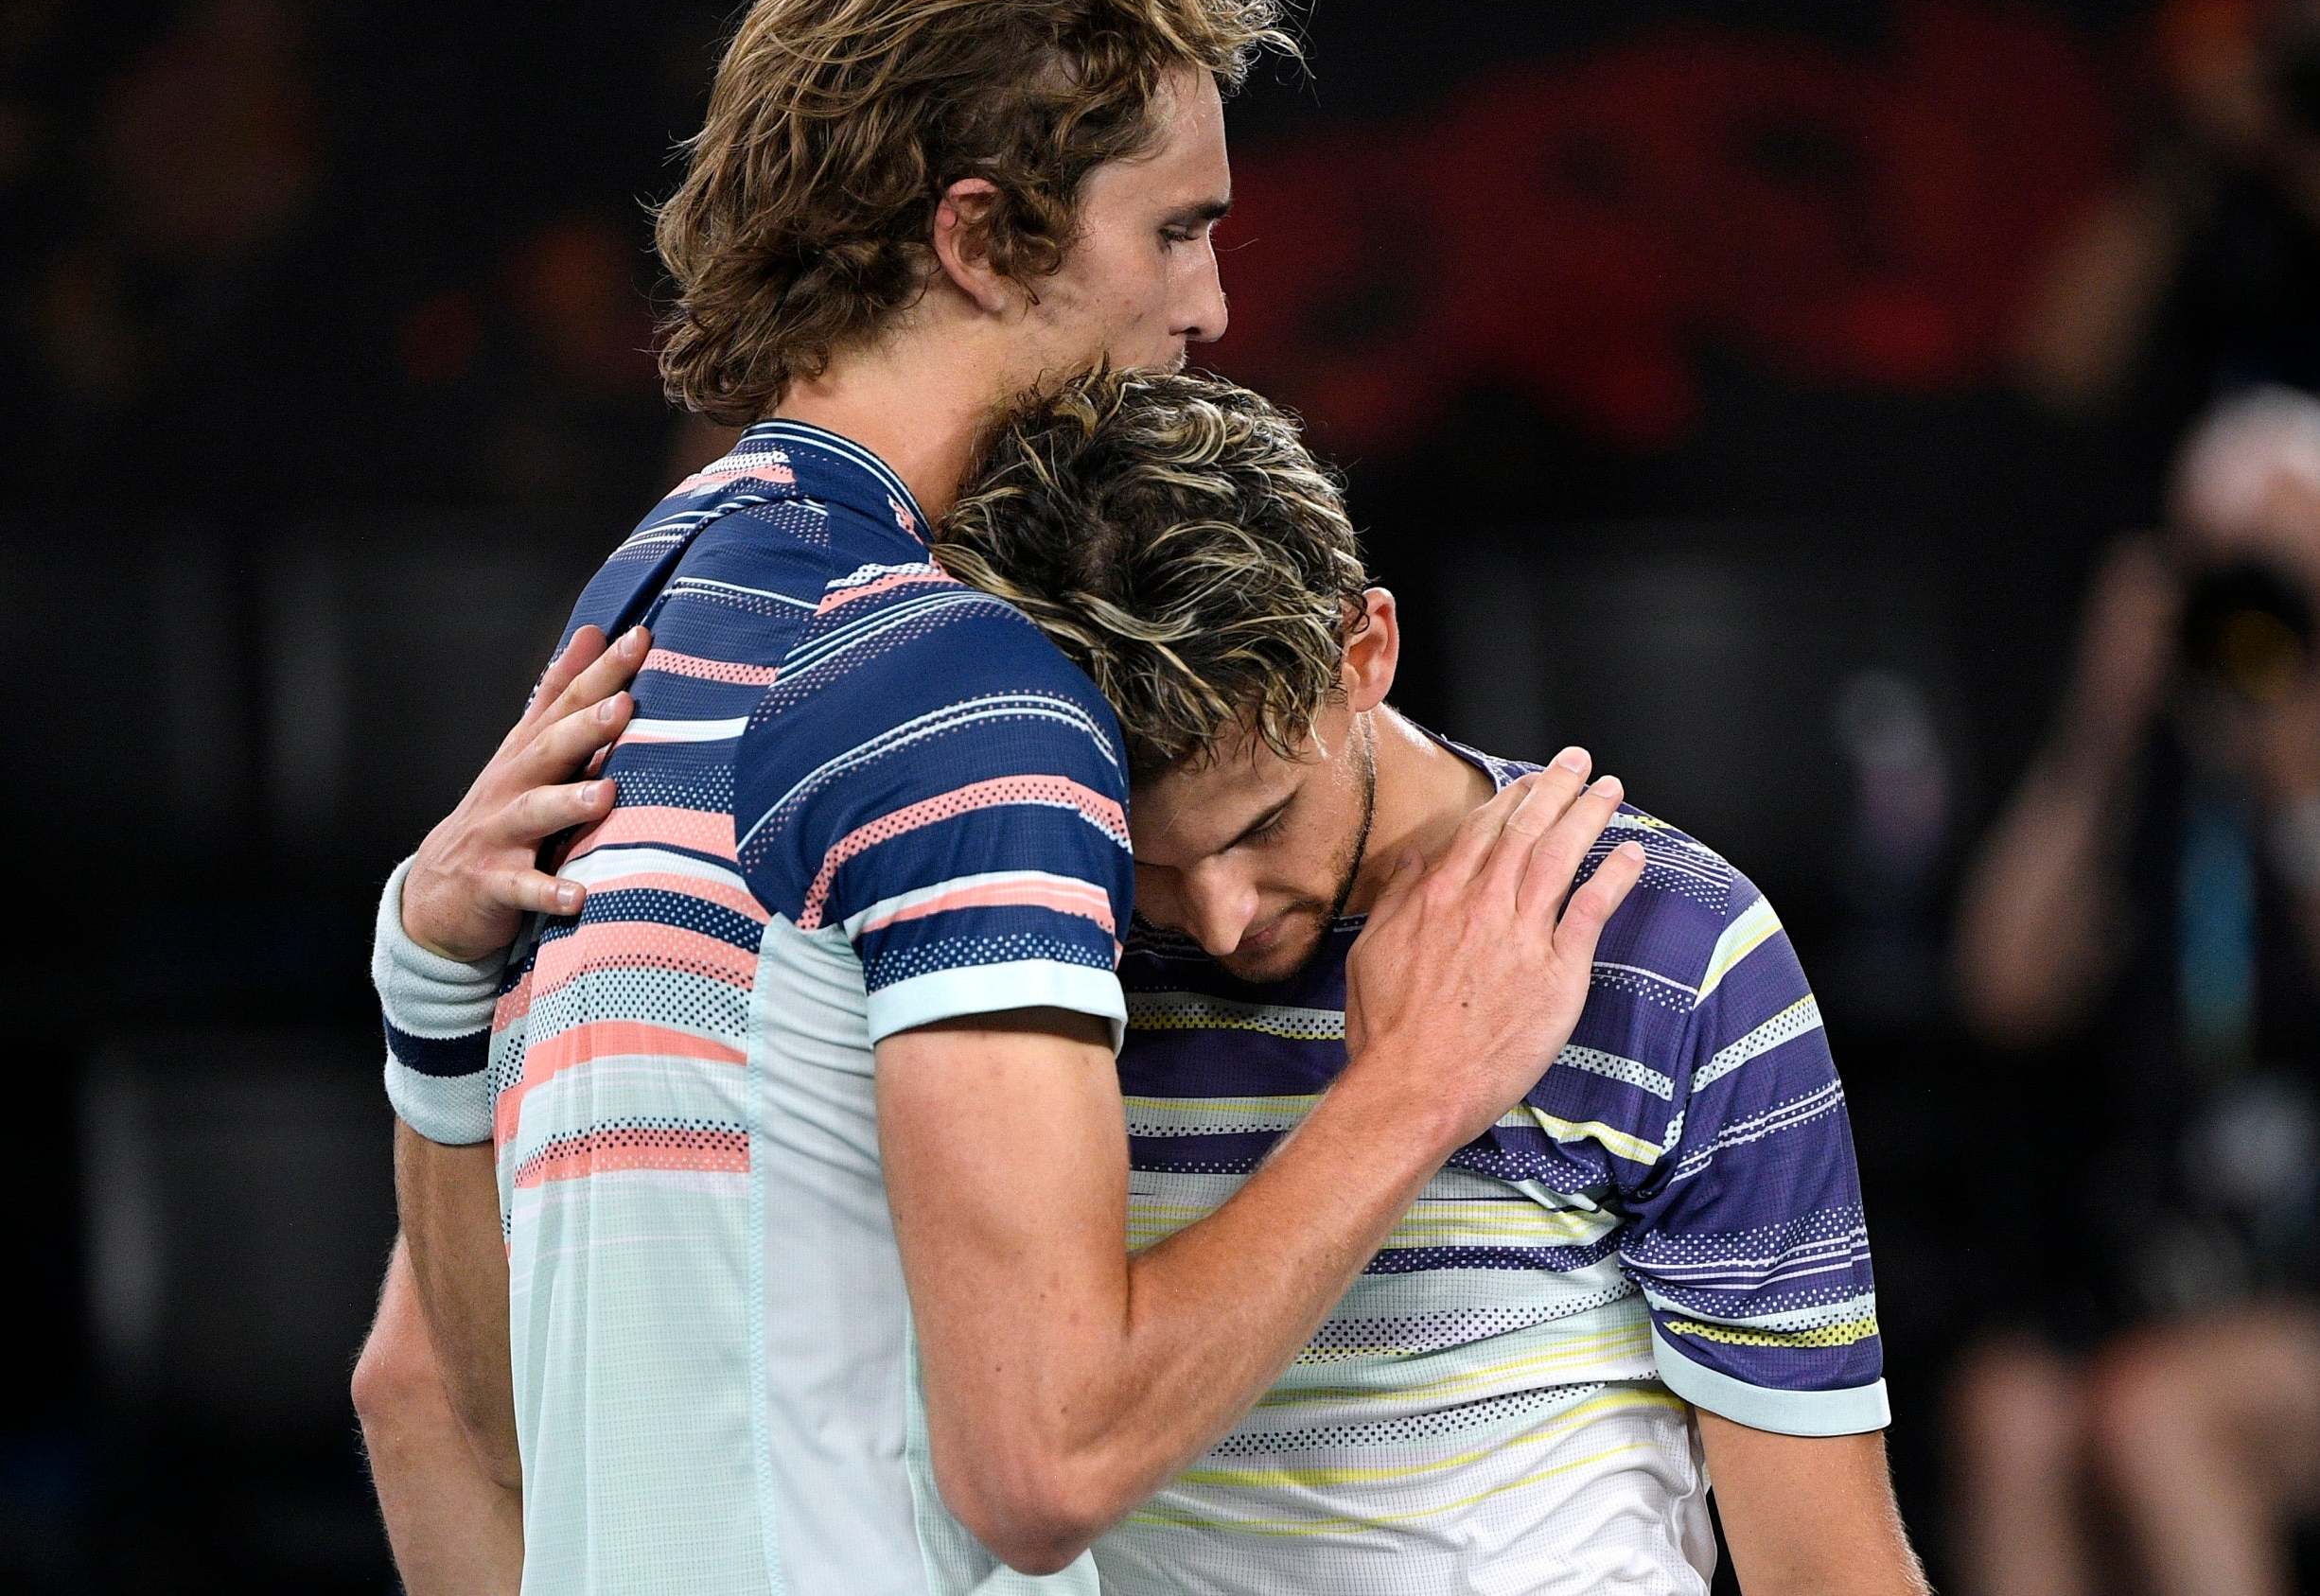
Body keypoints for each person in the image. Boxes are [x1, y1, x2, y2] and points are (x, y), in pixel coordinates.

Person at [352, 0, 1647, 1595]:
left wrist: (427, 995)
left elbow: (434, 1392)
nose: (1214, 311)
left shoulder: (637, 619)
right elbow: (1048, 1456)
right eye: (1172, 228)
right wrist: (1410, 1086)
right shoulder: (957, 688)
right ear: (979, 237)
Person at [388, 369, 1930, 1592]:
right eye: (1148, 855)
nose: (1221, 910)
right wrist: (434, 992)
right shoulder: (995, 935)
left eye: (1264, 820)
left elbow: (1823, 1562)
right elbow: (456, 1401)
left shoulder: (1666, 950)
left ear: (1365, 647)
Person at [1946, 386, 2320, 1596]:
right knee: (2011, 1412)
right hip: (2183, 1273)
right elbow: (2002, 988)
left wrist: (2298, 783)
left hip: (2290, 1294)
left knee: (2153, 1410)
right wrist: (2100, 724)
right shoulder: (2157, 782)